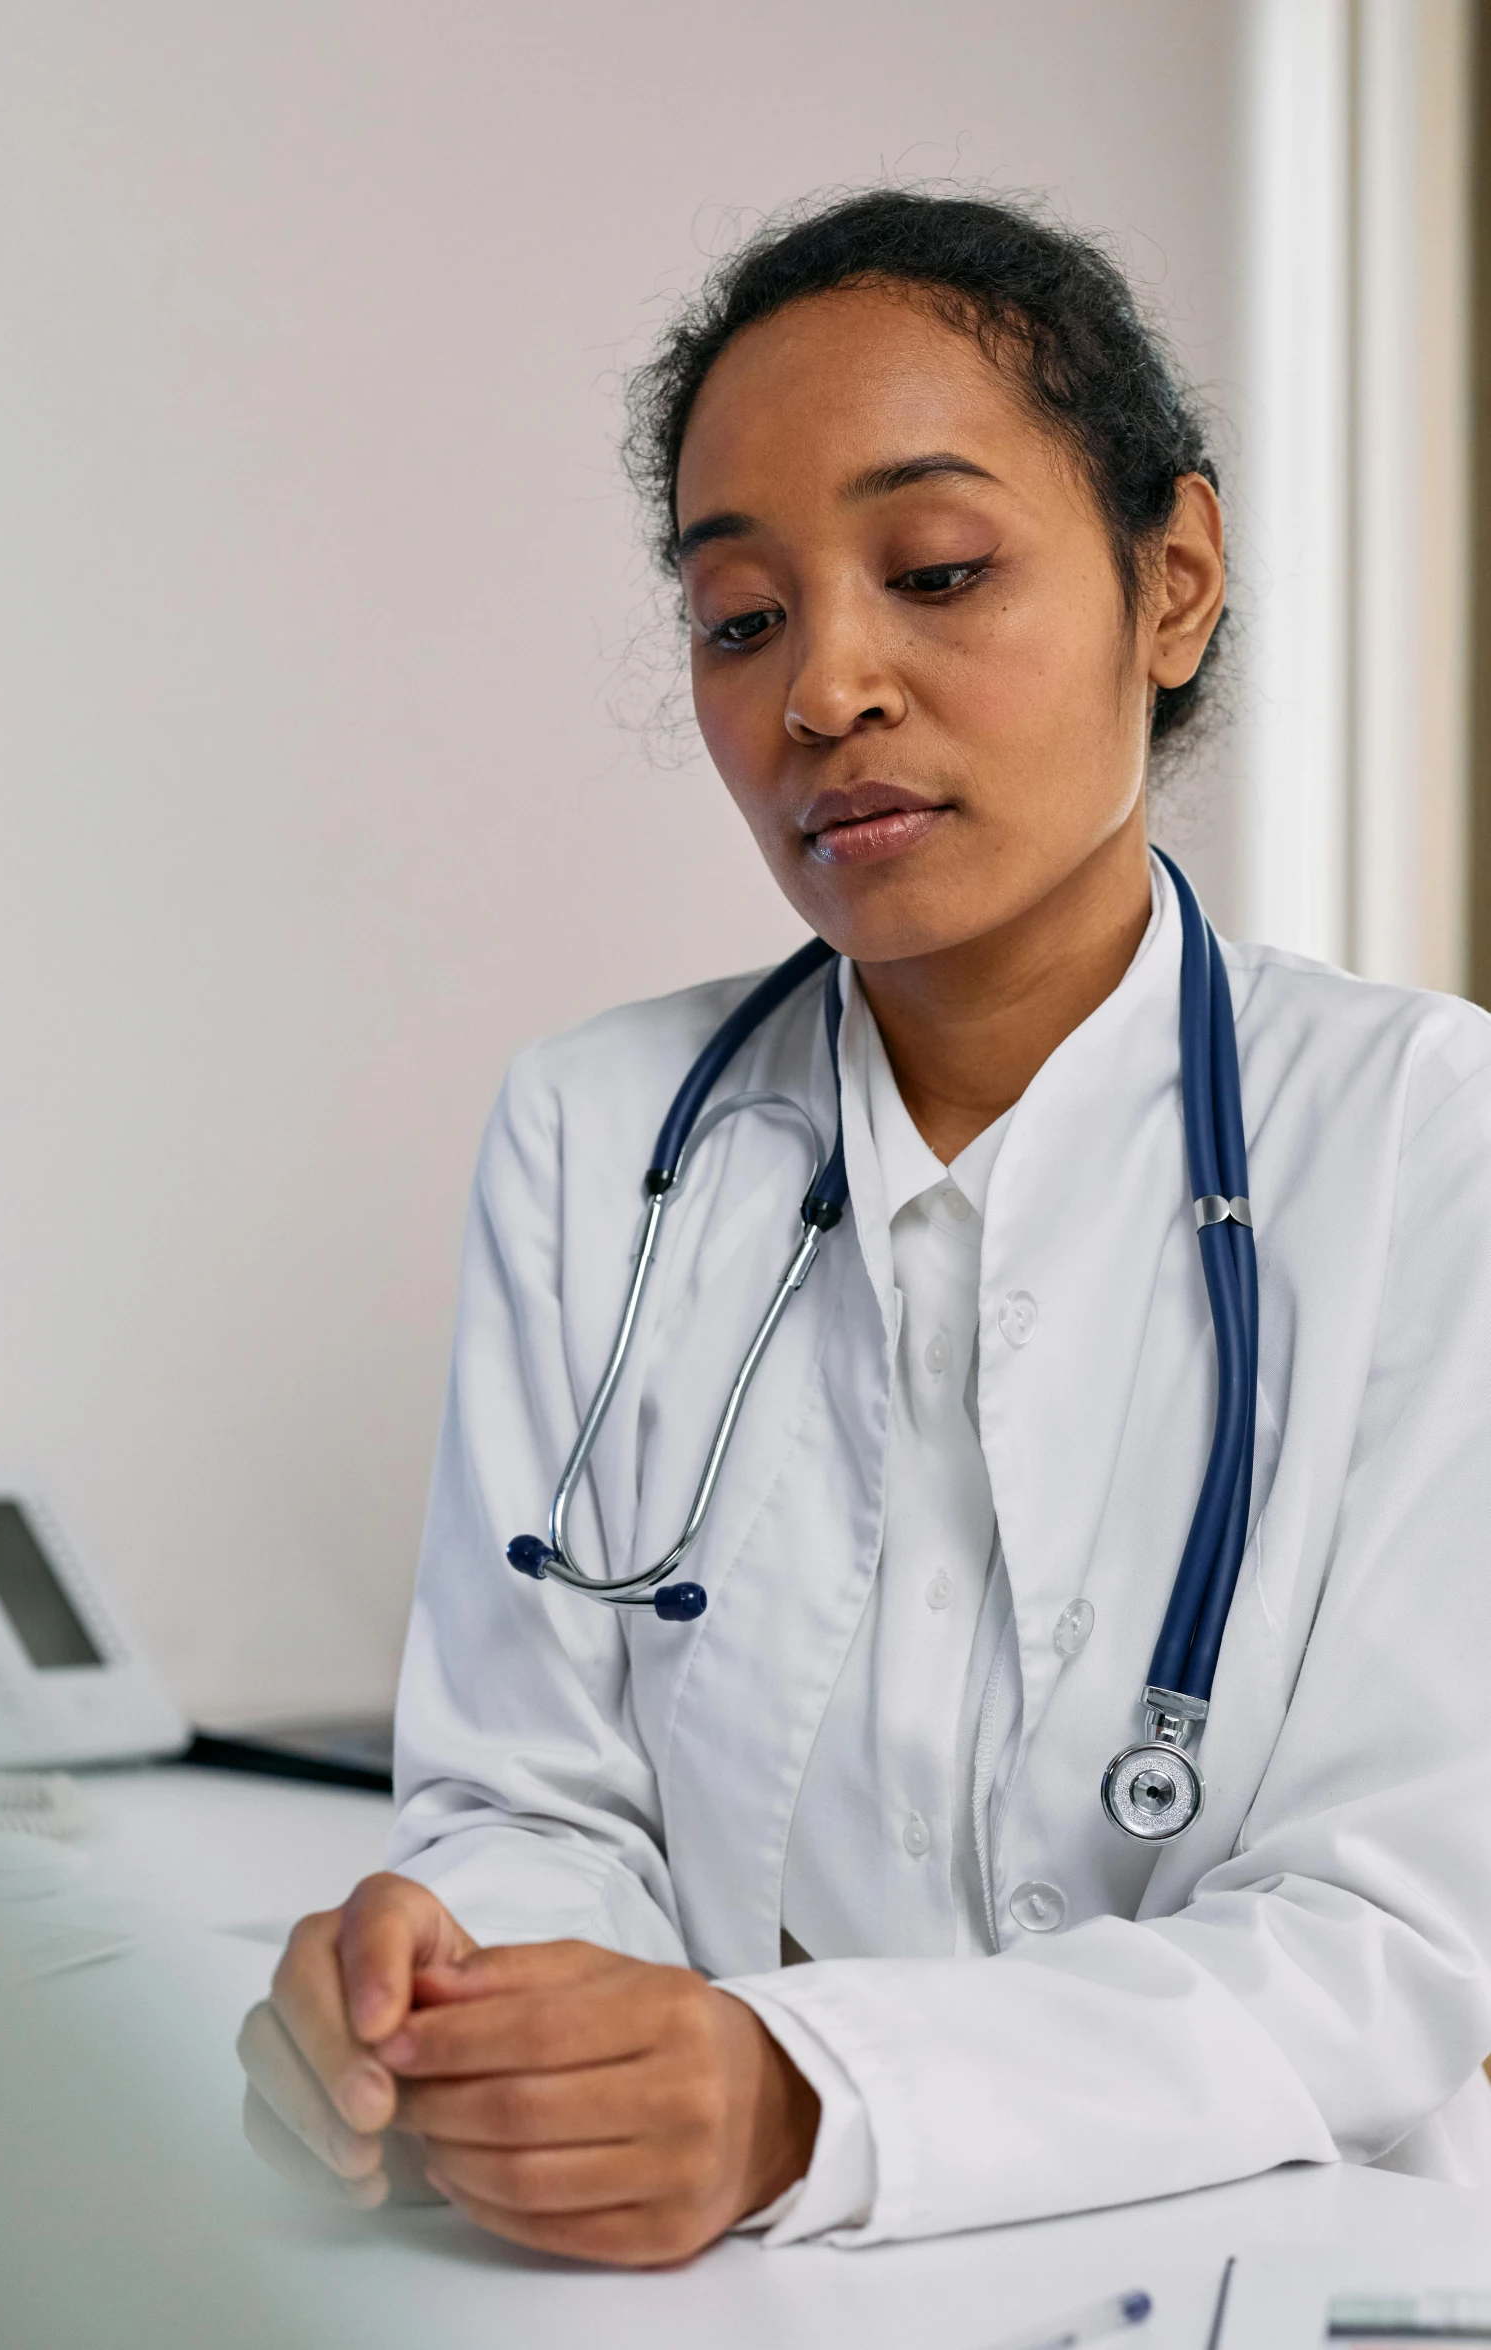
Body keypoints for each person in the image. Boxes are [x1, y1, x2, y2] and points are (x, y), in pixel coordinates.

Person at [237, 190, 1491, 2266]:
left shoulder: (1427, 1134)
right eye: (741, 617)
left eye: (936, 571)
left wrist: (804, 2094)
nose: (826, 688)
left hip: (1287, 2277)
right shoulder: (595, 1135)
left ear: (1170, 582)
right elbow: (532, 1805)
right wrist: (459, 2019)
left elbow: (1397, 1936)